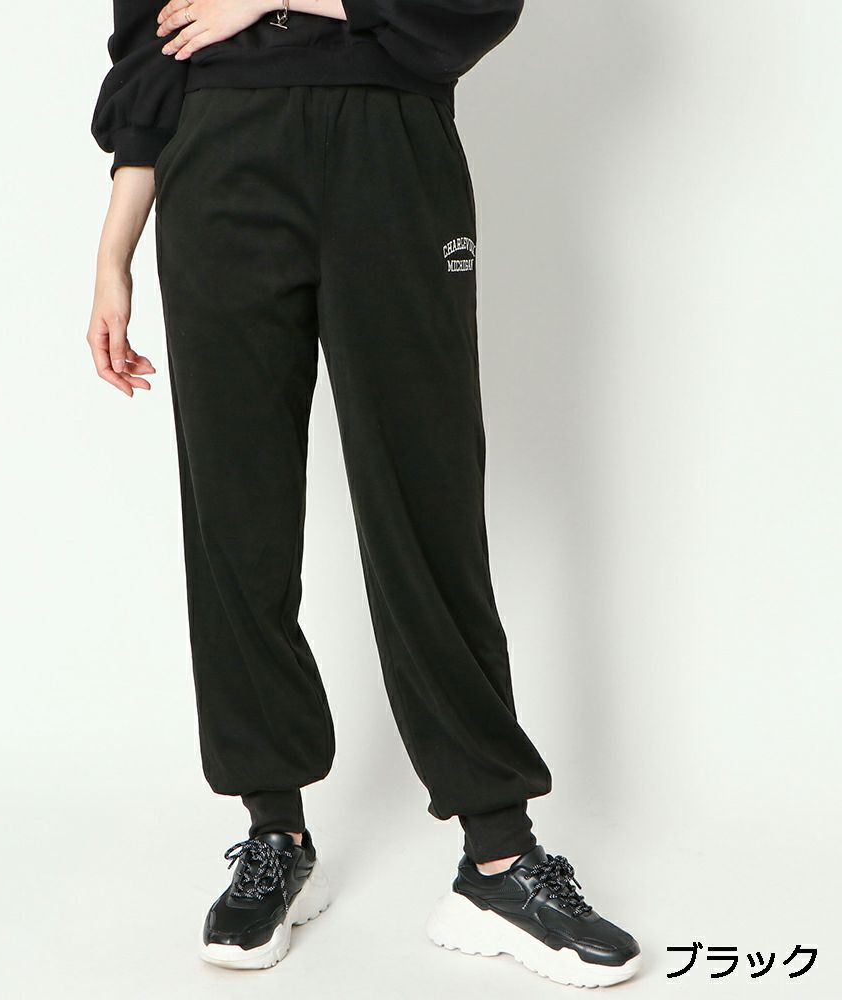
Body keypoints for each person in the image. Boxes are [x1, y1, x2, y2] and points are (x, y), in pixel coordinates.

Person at [88, 0, 640, 987]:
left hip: (389, 147)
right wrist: (112, 255)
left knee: (427, 506)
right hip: (217, 159)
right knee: (234, 511)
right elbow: (149, 53)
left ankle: (497, 855)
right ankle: (274, 831)